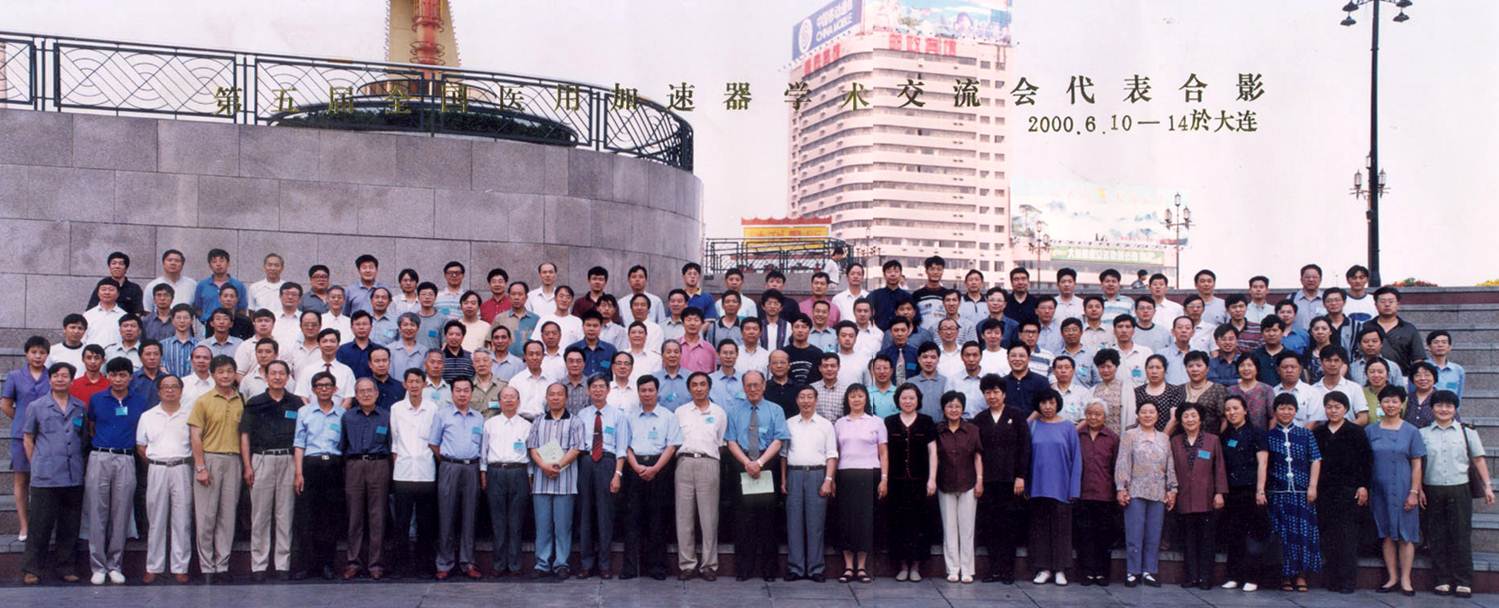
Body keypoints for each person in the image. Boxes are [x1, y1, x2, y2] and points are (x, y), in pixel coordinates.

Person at [1419, 390, 1493, 598]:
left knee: (1460, 535)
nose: (1444, 409)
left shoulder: (1467, 432)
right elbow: (1417, 464)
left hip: (1459, 488)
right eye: (1439, 405)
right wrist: (1418, 489)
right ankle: (1441, 580)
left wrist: (1487, 486)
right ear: (1432, 408)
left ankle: (1463, 581)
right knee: (1436, 535)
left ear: (1455, 409)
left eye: (1449, 406)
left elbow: (1478, 459)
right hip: (1432, 489)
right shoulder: (1422, 433)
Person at [19, 363, 86, 585]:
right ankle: (32, 569)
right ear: (49, 379)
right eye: (55, 375)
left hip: (73, 474)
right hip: (45, 476)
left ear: (71, 380)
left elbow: (82, 437)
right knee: (40, 525)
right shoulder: (37, 406)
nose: (60, 379)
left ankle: (66, 567)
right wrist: (37, 463)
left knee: (69, 525)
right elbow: (28, 438)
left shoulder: (80, 406)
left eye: (64, 376)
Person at [239, 359, 301, 581]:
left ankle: (283, 564)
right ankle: (259, 565)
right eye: (273, 373)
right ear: (265, 377)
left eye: (281, 373)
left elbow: (301, 438)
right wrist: (247, 465)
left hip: (288, 460)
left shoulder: (296, 403)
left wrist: (298, 470)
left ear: (288, 377)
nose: (277, 377)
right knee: (260, 515)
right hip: (261, 459)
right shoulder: (255, 403)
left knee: (285, 514)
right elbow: (245, 436)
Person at [725, 371, 789, 581]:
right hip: (742, 462)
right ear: (743, 387)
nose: (752, 389)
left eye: (756, 385)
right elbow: (731, 441)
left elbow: (779, 439)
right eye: (748, 385)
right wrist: (747, 463)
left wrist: (760, 463)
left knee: (768, 519)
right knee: (743, 519)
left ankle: (769, 571)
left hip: (767, 462)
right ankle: (744, 569)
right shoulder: (734, 411)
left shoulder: (775, 410)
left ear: (764, 386)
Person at [187, 355, 245, 583]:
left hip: (234, 460)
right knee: (206, 517)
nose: (225, 376)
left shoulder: (241, 400)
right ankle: (206, 567)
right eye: (220, 371)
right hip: (209, 459)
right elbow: (195, 436)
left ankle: (222, 565)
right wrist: (200, 466)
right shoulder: (203, 401)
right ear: (212, 375)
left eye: (229, 371)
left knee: (227, 517)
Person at [1366, 385, 1425, 596]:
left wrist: (1414, 492)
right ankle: (1392, 578)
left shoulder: (1411, 431)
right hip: (1379, 489)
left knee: (1406, 534)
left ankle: (1406, 579)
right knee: (1387, 534)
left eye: (1394, 401)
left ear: (1401, 404)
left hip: (1403, 488)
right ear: (1380, 404)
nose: (1390, 405)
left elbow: (1417, 464)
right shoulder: (1370, 431)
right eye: (1386, 401)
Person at [621, 376, 681, 580]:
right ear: (638, 393)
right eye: (643, 390)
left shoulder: (668, 416)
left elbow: (671, 446)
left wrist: (655, 468)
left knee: (658, 519)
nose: (647, 394)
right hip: (634, 467)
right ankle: (630, 568)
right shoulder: (629, 417)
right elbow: (625, 446)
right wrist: (637, 466)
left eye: (650, 390)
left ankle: (657, 567)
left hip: (660, 467)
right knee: (632, 519)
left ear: (657, 392)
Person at [134, 374, 193, 584]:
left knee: (182, 519)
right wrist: (155, 462)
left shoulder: (190, 414)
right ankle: (153, 566)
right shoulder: (148, 416)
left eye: (174, 386)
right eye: (165, 387)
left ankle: (180, 567)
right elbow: (141, 446)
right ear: (158, 391)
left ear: (181, 391)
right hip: (157, 468)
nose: (170, 390)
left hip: (182, 467)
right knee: (156, 518)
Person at [1262, 392, 1322, 592]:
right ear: (1275, 411)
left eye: (1290, 408)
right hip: (1278, 493)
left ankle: (1302, 576)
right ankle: (1285, 576)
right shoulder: (1269, 436)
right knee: (1282, 535)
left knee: (1303, 534)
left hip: (1302, 493)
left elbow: (1315, 460)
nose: (1286, 412)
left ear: (1296, 411)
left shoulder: (1306, 434)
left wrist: (1312, 486)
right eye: (1282, 408)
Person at [972, 375, 1030, 583]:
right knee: (990, 525)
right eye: (988, 392)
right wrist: (979, 479)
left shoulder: (1016, 415)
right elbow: (977, 452)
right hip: (988, 481)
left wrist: (1020, 476)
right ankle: (993, 569)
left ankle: (1007, 570)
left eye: (996, 392)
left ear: (1004, 394)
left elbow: (1024, 447)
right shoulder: (980, 419)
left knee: (1009, 525)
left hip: (1010, 481)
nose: (992, 396)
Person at [1312, 391, 1371, 594]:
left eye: (1337, 407)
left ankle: (1347, 581)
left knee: (1347, 536)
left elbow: (1366, 461)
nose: (1333, 410)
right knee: (1328, 536)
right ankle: (1332, 579)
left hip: (1349, 490)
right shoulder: (1319, 432)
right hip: (1325, 490)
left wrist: (1363, 486)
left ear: (1346, 409)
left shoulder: (1356, 432)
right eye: (1329, 407)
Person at [428, 376, 486, 580]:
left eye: (466, 390)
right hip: (449, 467)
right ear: (451, 393)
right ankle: (444, 563)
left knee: (470, 516)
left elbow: (482, 446)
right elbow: (434, 443)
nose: (462, 394)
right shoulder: (442, 415)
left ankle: (468, 562)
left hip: (472, 468)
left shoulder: (479, 417)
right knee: (446, 515)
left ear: (471, 393)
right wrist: (448, 460)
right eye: (458, 390)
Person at [1115, 401, 1175, 588]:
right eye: (1144, 412)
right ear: (1138, 415)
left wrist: (1172, 489)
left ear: (1157, 416)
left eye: (1152, 412)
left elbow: (1170, 465)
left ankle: (1149, 571)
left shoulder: (1164, 438)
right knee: (1134, 533)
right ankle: (1132, 571)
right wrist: (1121, 488)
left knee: (1153, 534)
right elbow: (1123, 462)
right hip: (1135, 490)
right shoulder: (1130, 435)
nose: (1148, 415)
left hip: (1158, 492)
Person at [832, 382, 888, 584]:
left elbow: (884, 453)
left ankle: (862, 567)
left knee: (865, 522)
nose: (856, 399)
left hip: (869, 475)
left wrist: (884, 479)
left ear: (866, 399)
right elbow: (835, 453)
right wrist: (832, 479)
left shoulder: (877, 422)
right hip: (845, 475)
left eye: (860, 396)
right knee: (845, 521)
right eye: (852, 396)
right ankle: (848, 567)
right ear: (847, 399)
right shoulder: (840, 423)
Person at [674, 372, 728, 581]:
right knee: (684, 516)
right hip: (684, 463)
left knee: (709, 516)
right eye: (694, 385)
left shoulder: (719, 412)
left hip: (709, 462)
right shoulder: (680, 412)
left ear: (709, 387)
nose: (698, 388)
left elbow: (720, 442)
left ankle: (708, 565)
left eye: (702, 384)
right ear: (689, 389)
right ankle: (687, 564)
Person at [291, 371, 345, 580]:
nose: (324, 389)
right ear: (313, 390)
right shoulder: (304, 412)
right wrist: (299, 473)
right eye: (319, 386)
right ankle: (307, 565)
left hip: (333, 466)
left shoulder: (342, 414)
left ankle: (327, 564)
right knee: (307, 517)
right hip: (310, 466)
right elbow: (299, 443)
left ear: (335, 389)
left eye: (328, 385)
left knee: (329, 517)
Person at [782, 384, 838, 582]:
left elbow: (831, 455)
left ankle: (816, 568)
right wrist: (784, 479)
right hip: (794, 474)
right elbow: (783, 454)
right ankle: (796, 568)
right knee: (794, 522)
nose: (806, 401)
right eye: (802, 397)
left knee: (816, 523)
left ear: (816, 400)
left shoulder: (825, 425)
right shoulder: (789, 423)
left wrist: (828, 480)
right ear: (797, 400)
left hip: (817, 475)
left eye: (809, 397)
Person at [1169, 403, 1227, 590]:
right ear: (1180, 421)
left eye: (1193, 416)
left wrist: (1219, 493)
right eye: (1186, 416)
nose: (1190, 420)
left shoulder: (1212, 440)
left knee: (1206, 540)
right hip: (1184, 497)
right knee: (1188, 540)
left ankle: (1205, 578)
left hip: (1206, 497)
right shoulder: (1175, 441)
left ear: (1200, 419)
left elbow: (1219, 468)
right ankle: (1191, 577)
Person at [574, 375, 627, 579]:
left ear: (608, 390)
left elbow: (621, 448)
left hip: (607, 462)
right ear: (588, 391)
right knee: (585, 514)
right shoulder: (582, 415)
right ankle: (586, 564)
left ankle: (605, 564)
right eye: (594, 387)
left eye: (601, 387)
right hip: (586, 462)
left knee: (605, 515)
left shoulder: (618, 415)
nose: (597, 390)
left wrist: (617, 474)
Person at [884, 383, 937, 582]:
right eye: (904, 398)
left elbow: (933, 452)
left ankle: (916, 566)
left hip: (920, 482)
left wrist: (932, 479)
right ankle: (902, 566)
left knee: (919, 524)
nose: (908, 401)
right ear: (898, 400)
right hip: (896, 482)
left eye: (912, 398)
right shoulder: (889, 422)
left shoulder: (926, 421)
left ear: (918, 400)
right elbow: (884, 452)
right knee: (898, 523)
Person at [1027, 389, 1081, 586]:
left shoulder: (1068, 427)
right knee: (1040, 529)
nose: (1047, 407)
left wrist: (1074, 489)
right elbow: (1025, 455)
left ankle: (1060, 570)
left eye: (1051, 402)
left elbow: (1076, 459)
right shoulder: (1033, 426)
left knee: (1061, 530)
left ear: (1058, 403)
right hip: (1037, 487)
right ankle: (1044, 569)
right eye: (1043, 403)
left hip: (1061, 487)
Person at [339, 379, 392, 580]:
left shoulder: (386, 416)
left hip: (379, 464)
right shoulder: (348, 417)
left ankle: (376, 564)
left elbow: (391, 444)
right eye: (361, 391)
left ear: (377, 393)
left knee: (377, 516)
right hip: (354, 465)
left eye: (370, 391)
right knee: (355, 515)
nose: (366, 394)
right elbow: (342, 444)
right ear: (355, 395)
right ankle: (353, 562)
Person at [390, 369, 439, 578]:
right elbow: (394, 440)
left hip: (426, 471)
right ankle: (400, 566)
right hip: (403, 472)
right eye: (410, 381)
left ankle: (424, 566)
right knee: (401, 522)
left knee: (426, 522)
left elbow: (435, 439)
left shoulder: (433, 408)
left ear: (424, 384)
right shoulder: (396, 409)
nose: (414, 385)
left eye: (418, 381)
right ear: (404, 384)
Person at [1218, 395, 1270, 592]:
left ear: (1245, 411)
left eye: (1235, 408)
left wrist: (1260, 490)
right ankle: (1234, 576)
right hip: (1232, 491)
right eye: (1228, 409)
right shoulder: (1226, 435)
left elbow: (1263, 463)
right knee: (1234, 534)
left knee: (1253, 536)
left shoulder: (1257, 433)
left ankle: (1252, 578)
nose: (1232, 412)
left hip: (1252, 491)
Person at [4, 335, 52, 544]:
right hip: (21, 435)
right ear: (26, 353)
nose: (38, 356)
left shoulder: (52, 375)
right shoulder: (15, 376)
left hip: (47, 435)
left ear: (47, 355)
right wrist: (24, 422)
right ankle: (24, 525)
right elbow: (5, 405)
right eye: (34, 352)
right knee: (21, 479)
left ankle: (43, 525)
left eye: (42, 352)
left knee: (45, 480)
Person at [480, 386, 531, 578]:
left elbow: (531, 454)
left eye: (513, 397)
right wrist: (483, 473)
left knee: (516, 521)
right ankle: (499, 564)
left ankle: (515, 565)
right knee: (498, 520)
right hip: (495, 472)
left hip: (519, 472)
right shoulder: (490, 424)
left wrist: (530, 476)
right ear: (499, 402)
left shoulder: (526, 425)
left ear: (518, 401)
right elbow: (483, 451)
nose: (509, 400)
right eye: (505, 397)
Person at [935, 391, 983, 584]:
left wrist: (979, 480)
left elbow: (978, 456)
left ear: (963, 408)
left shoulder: (972, 430)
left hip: (968, 482)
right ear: (943, 409)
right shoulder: (938, 430)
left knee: (967, 527)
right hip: (944, 483)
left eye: (957, 406)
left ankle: (967, 569)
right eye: (949, 406)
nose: (953, 410)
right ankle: (953, 568)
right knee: (949, 527)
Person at [1074, 399, 1119, 587]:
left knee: (1104, 536)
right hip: (1082, 494)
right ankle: (1086, 572)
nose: (1093, 417)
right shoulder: (1078, 435)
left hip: (1104, 494)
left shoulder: (1112, 438)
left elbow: (1117, 467)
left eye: (1098, 414)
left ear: (1105, 417)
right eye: (1090, 413)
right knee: (1084, 535)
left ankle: (1102, 573)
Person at [1133, 354, 1183, 431]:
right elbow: (1135, 417)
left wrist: (1162, 436)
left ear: (1165, 370)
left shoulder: (1174, 391)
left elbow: (1174, 419)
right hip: (1142, 435)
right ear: (1146, 370)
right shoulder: (1138, 392)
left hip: (1168, 435)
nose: (1154, 371)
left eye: (1158, 367)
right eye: (1150, 368)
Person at [1227, 355, 1275, 430]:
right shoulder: (1230, 390)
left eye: (1250, 365)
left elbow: (1273, 417)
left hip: (1261, 434)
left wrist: (1269, 435)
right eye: (1242, 365)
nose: (1246, 368)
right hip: (1234, 434)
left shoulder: (1267, 390)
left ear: (1257, 368)